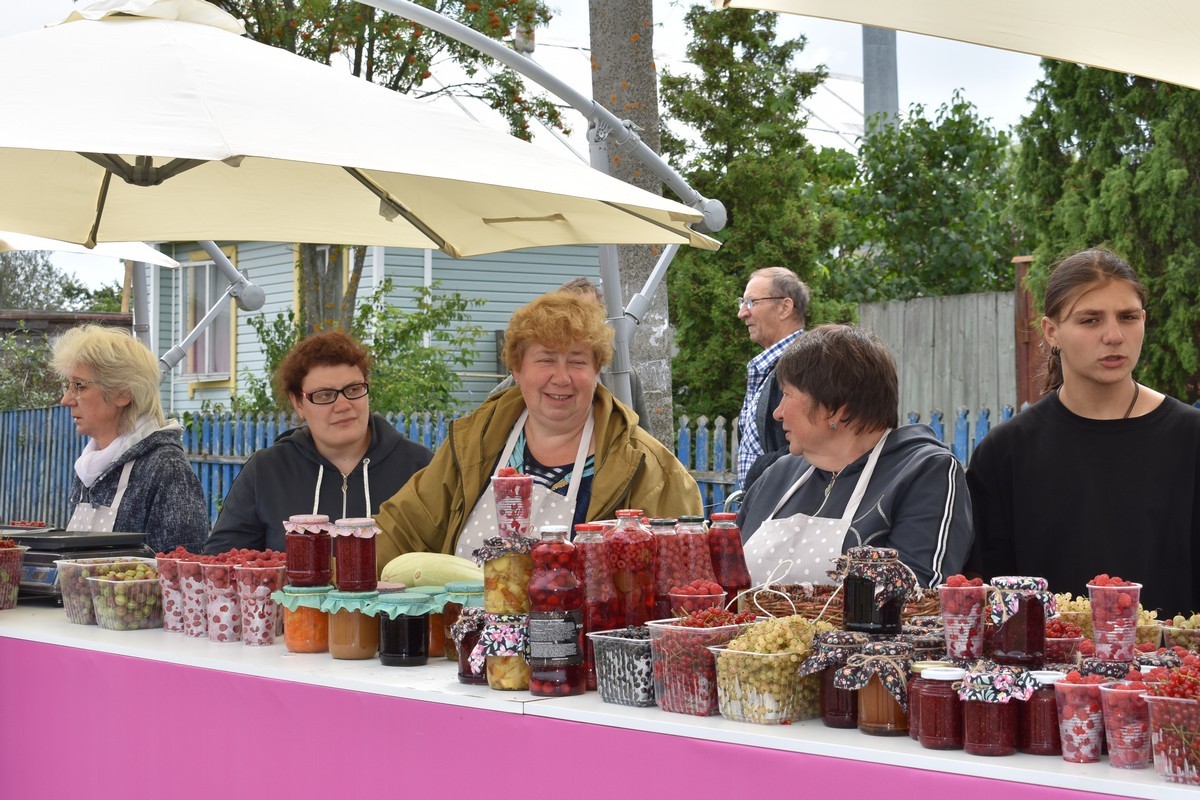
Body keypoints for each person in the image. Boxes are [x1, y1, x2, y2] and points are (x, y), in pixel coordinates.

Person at [375, 290, 703, 565]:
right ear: (517, 369)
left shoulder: (652, 470)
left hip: (583, 642)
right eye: (546, 360)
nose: (561, 378)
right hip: (465, 639)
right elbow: (404, 528)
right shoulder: (475, 442)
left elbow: (682, 577)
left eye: (577, 361)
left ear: (597, 369)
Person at [966, 248, 1200, 615]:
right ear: (1052, 331)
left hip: (1178, 668)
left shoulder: (1191, 438)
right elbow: (991, 594)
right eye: (1090, 320)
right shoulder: (1006, 451)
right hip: (1044, 671)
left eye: (1128, 317)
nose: (1113, 335)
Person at [736, 324, 972, 588]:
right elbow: (725, 584)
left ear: (837, 410)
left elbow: (916, 598)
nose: (777, 413)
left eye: (787, 395)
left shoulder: (925, 472)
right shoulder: (776, 477)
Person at [204, 329, 433, 554]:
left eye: (353, 389)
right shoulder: (266, 472)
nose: (343, 405)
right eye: (324, 395)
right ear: (298, 403)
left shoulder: (420, 469)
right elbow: (222, 565)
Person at [52, 324, 207, 553]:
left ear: (122, 393)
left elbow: (182, 573)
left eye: (79, 386)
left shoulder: (165, 468)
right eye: (68, 386)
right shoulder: (88, 468)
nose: (66, 399)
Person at [491, 277, 649, 422]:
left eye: (587, 315)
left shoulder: (626, 377)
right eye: (569, 315)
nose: (578, 323)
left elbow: (644, 443)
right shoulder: (510, 389)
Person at [736, 267, 809, 491]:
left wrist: (757, 477)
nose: (742, 313)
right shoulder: (770, 366)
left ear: (785, 307)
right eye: (742, 302)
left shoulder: (805, 364)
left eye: (751, 302)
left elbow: (810, 448)